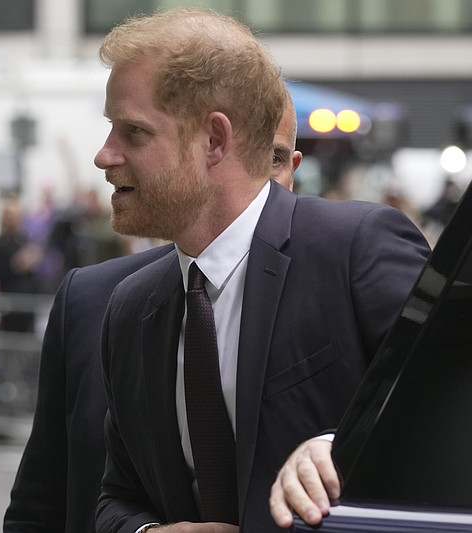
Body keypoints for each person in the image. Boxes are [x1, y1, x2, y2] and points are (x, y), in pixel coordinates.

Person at [90, 8, 429, 532]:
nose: (103, 155)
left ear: (215, 140)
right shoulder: (132, 306)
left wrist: (340, 446)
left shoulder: (354, 248)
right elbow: (117, 494)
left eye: (133, 131)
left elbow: (449, 412)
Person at [4, 82, 303, 532]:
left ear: (294, 168)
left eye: (273, 159)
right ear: (211, 148)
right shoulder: (95, 300)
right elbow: (44, 502)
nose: (252, 176)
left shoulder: (338, 282)